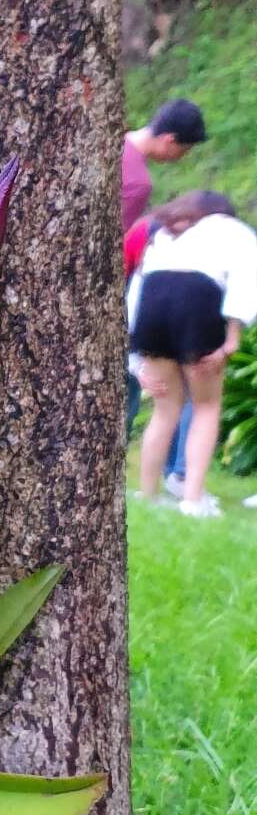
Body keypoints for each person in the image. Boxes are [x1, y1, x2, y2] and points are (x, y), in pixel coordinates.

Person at [130, 195, 257, 517]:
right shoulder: (233, 229)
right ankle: (192, 498)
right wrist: (232, 338)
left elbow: (138, 289)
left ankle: (148, 493)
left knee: (164, 407)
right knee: (205, 406)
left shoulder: (163, 232)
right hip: (198, 301)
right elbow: (247, 279)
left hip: (153, 303)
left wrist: (136, 355)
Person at [121, 98, 207, 234]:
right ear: (170, 140)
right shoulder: (138, 183)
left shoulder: (112, 142)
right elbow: (118, 240)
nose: (180, 158)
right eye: (184, 151)